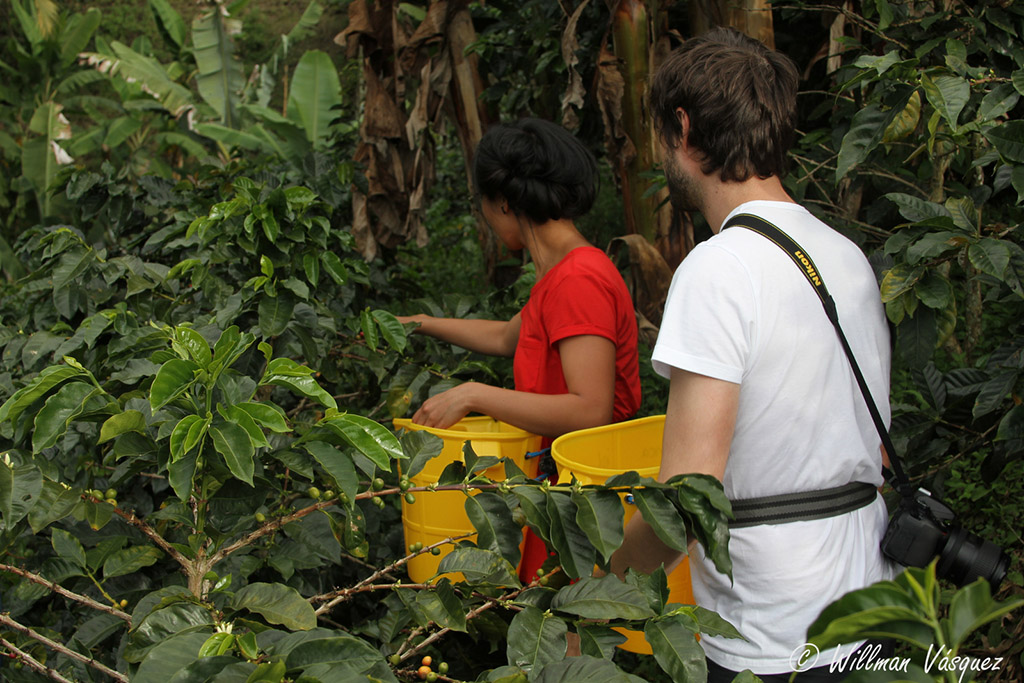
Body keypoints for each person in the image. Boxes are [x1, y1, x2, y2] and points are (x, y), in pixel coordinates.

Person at [609, 28, 895, 681]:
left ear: (683, 128)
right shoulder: (846, 257)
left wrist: (595, 593)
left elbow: (689, 498)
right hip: (869, 605)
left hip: (774, 629)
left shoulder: (719, 270)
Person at [400, 118, 641, 441]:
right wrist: (418, 322)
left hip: (587, 484)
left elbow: (590, 411)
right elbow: (505, 337)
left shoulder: (578, 279)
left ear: (501, 202)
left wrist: (472, 395)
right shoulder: (561, 272)